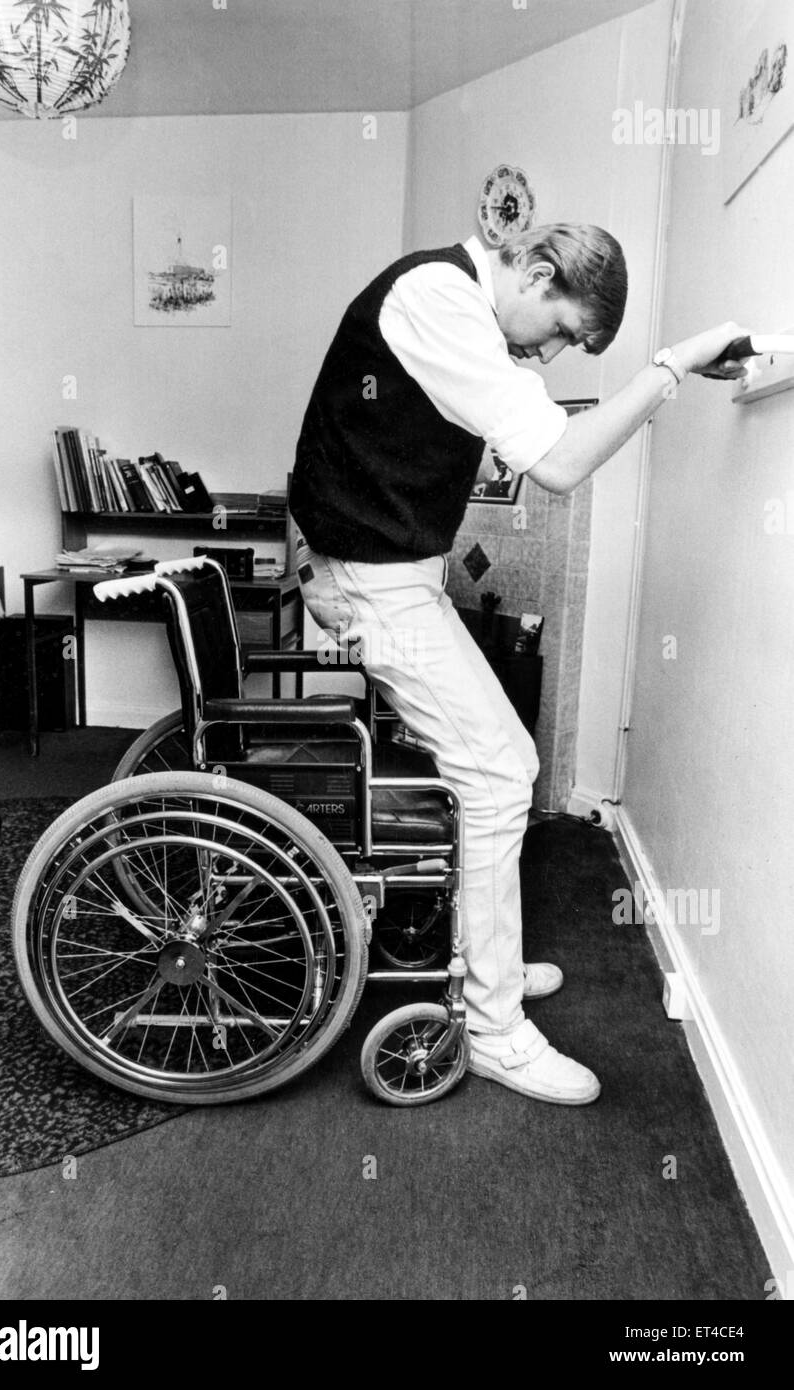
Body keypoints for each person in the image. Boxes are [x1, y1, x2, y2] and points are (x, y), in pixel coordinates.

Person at [289, 224, 746, 1105]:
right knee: (502, 771)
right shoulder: (437, 298)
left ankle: (480, 963)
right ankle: (494, 1027)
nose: (557, 351)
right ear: (536, 271)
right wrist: (673, 363)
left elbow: (534, 441)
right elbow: (563, 464)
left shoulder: (456, 310)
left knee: (502, 767)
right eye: (567, 331)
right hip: (368, 580)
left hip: (390, 576)